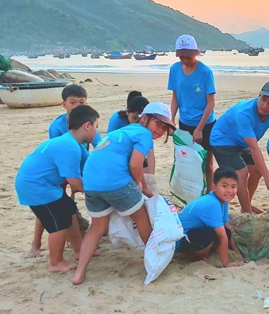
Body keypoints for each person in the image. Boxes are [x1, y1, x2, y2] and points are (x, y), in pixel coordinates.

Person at [71, 102, 176, 285]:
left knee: (96, 228)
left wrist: (141, 184)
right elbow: (135, 165)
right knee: (141, 216)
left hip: (91, 183)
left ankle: (79, 273)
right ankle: (155, 258)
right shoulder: (144, 135)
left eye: (165, 128)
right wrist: (139, 187)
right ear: (145, 118)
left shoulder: (119, 132)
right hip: (115, 182)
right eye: (158, 124)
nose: (160, 131)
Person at [14, 105, 100, 273]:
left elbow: (90, 167)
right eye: (97, 126)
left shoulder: (75, 144)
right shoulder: (69, 147)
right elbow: (75, 183)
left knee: (69, 211)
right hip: (36, 187)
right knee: (58, 223)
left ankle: (78, 250)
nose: (97, 131)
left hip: (45, 185)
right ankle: (56, 262)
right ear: (87, 126)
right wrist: (99, 194)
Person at [28, 84, 102, 258]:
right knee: (50, 207)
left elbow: (98, 148)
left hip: (81, 166)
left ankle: (80, 245)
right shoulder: (57, 127)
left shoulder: (89, 120)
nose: (77, 106)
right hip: (60, 170)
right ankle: (36, 243)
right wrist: (73, 181)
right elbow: (61, 155)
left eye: (81, 102)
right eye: (72, 102)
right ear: (64, 104)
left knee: (69, 208)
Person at [209, 81, 269, 213]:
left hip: (241, 143)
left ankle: (246, 205)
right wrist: (268, 177)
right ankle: (247, 212)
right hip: (222, 139)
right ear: (259, 95)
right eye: (263, 99)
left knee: (256, 170)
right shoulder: (244, 112)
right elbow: (254, 147)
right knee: (241, 173)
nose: (265, 105)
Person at [169, 35, 217, 192]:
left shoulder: (205, 72)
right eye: (181, 56)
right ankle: (191, 193)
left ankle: (209, 191)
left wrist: (200, 128)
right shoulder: (175, 70)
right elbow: (175, 98)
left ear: (196, 52)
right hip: (185, 123)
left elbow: (211, 102)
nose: (185, 60)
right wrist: (170, 121)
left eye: (188, 56)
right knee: (187, 161)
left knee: (207, 161)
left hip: (206, 123)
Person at [176, 168, 244, 267]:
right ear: (214, 187)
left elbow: (227, 226)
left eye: (233, 186)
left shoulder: (222, 201)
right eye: (224, 186)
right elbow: (221, 236)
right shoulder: (213, 203)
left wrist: (236, 251)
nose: (229, 191)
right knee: (210, 234)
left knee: (227, 232)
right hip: (179, 238)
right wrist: (226, 263)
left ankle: (201, 252)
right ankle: (194, 256)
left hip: (192, 233)